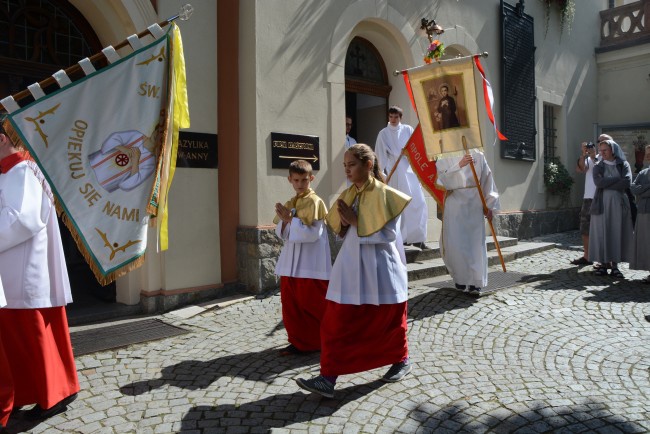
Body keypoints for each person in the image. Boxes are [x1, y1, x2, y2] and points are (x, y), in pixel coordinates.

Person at [295, 143, 412, 398]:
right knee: (336, 322)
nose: (347, 170)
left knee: (387, 322)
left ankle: (401, 360)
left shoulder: (387, 195)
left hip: (380, 270)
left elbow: (389, 235)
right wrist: (346, 225)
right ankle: (328, 376)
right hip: (350, 268)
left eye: (352, 165)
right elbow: (341, 232)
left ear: (368, 165)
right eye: (345, 166)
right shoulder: (348, 195)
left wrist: (356, 221)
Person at [0, 117, 80, 421]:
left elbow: (23, 220)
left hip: (24, 272)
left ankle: (52, 395)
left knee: (33, 336)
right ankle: (42, 390)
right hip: (15, 272)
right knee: (26, 338)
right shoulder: (14, 171)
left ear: (2, 139)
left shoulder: (22, 171)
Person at [273, 159, 331, 355]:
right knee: (292, 307)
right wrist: (284, 223)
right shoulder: (291, 202)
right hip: (291, 265)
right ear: (290, 179)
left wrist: (291, 220)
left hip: (310, 265)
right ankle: (297, 341)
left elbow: (313, 234)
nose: (300, 184)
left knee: (312, 305)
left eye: (304, 180)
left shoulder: (316, 202)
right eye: (296, 180)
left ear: (311, 179)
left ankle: (318, 341)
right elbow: (280, 233)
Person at [435, 149, 499, 294]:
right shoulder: (445, 154)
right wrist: (459, 165)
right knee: (457, 244)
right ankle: (461, 280)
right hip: (455, 203)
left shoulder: (478, 154)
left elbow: (487, 179)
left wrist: (489, 205)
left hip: (475, 203)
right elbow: (441, 179)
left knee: (475, 244)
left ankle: (476, 282)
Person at [375, 105, 428, 248]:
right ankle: (401, 238)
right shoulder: (383, 133)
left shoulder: (407, 130)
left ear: (400, 118)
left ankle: (418, 238)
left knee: (418, 203)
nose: (393, 120)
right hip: (394, 172)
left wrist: (408, 153)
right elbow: (380, 155)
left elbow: (416, 148)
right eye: (391, 117)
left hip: (409, 170)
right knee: (398, 206)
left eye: (396, 117)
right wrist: (382, 175)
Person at [589, 139, 634, 278]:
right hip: (601, 204)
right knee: (602, 233)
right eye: (600, 151)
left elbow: (626, 182)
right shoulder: (598, 166)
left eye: (605, 150)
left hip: (619, 204)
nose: (602, 153)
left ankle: (615, 265)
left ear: (613, 150)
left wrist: (607, 182)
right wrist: (616, 180)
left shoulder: (623, 164)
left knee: (617, 232)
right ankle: (603, 264)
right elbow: (598, 182)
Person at [570, 134, 611, 266]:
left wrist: (593, 156)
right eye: (598, 141)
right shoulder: (591, 157)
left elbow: (605, 171)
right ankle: (587, 256)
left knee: (603, 228)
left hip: (602, 197)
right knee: (585, 227)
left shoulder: (608, 158)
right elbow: (580, 169)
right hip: (588, 197)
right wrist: (583, 154)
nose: (600, 143)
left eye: (603, 141)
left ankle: (606, 259)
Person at [89, 129, 158, 193]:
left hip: (99, 186)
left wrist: (135, 161)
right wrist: (123, 148)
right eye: (159, 131)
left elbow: (130, 185)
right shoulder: (136, 135)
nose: (159, 136)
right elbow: (112, 139)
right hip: (90, 163)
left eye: (162, 138)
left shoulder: (150, 164)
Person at [630, 144, 650, 284]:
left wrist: (643, 190)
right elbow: (633, 189)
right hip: (643, 211)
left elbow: (639, 190)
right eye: (647, 153)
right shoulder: (643, 173)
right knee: (646, 243)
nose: (647, 156)